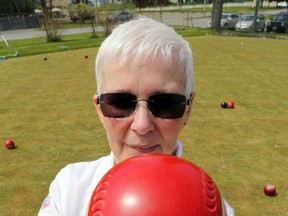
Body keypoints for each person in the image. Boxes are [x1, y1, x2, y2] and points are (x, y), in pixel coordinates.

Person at [38, 17, 234, 215]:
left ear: (188, 109)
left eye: (165, 103)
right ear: (99, 110)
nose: (142, 125)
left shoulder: (215, 208)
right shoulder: (69, 189)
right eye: (120, 103)